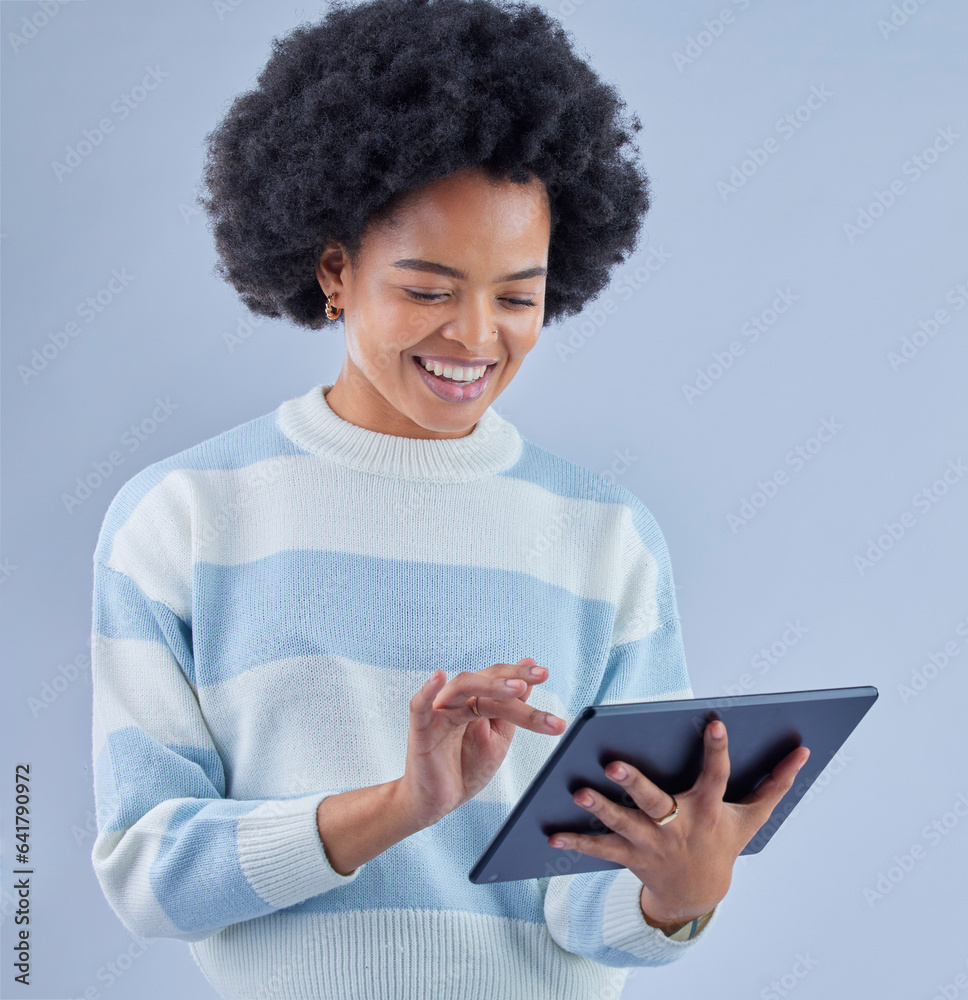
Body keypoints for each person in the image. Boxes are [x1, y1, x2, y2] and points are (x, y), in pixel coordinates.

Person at [88, 1, 809, 998]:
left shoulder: (601, 537)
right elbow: (149, 874)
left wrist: (673, 892)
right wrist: (401, 802)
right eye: (428, 289)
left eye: (517, 296)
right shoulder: (182, 518)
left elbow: (586, 904)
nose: (476, 335)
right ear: (334, 270)